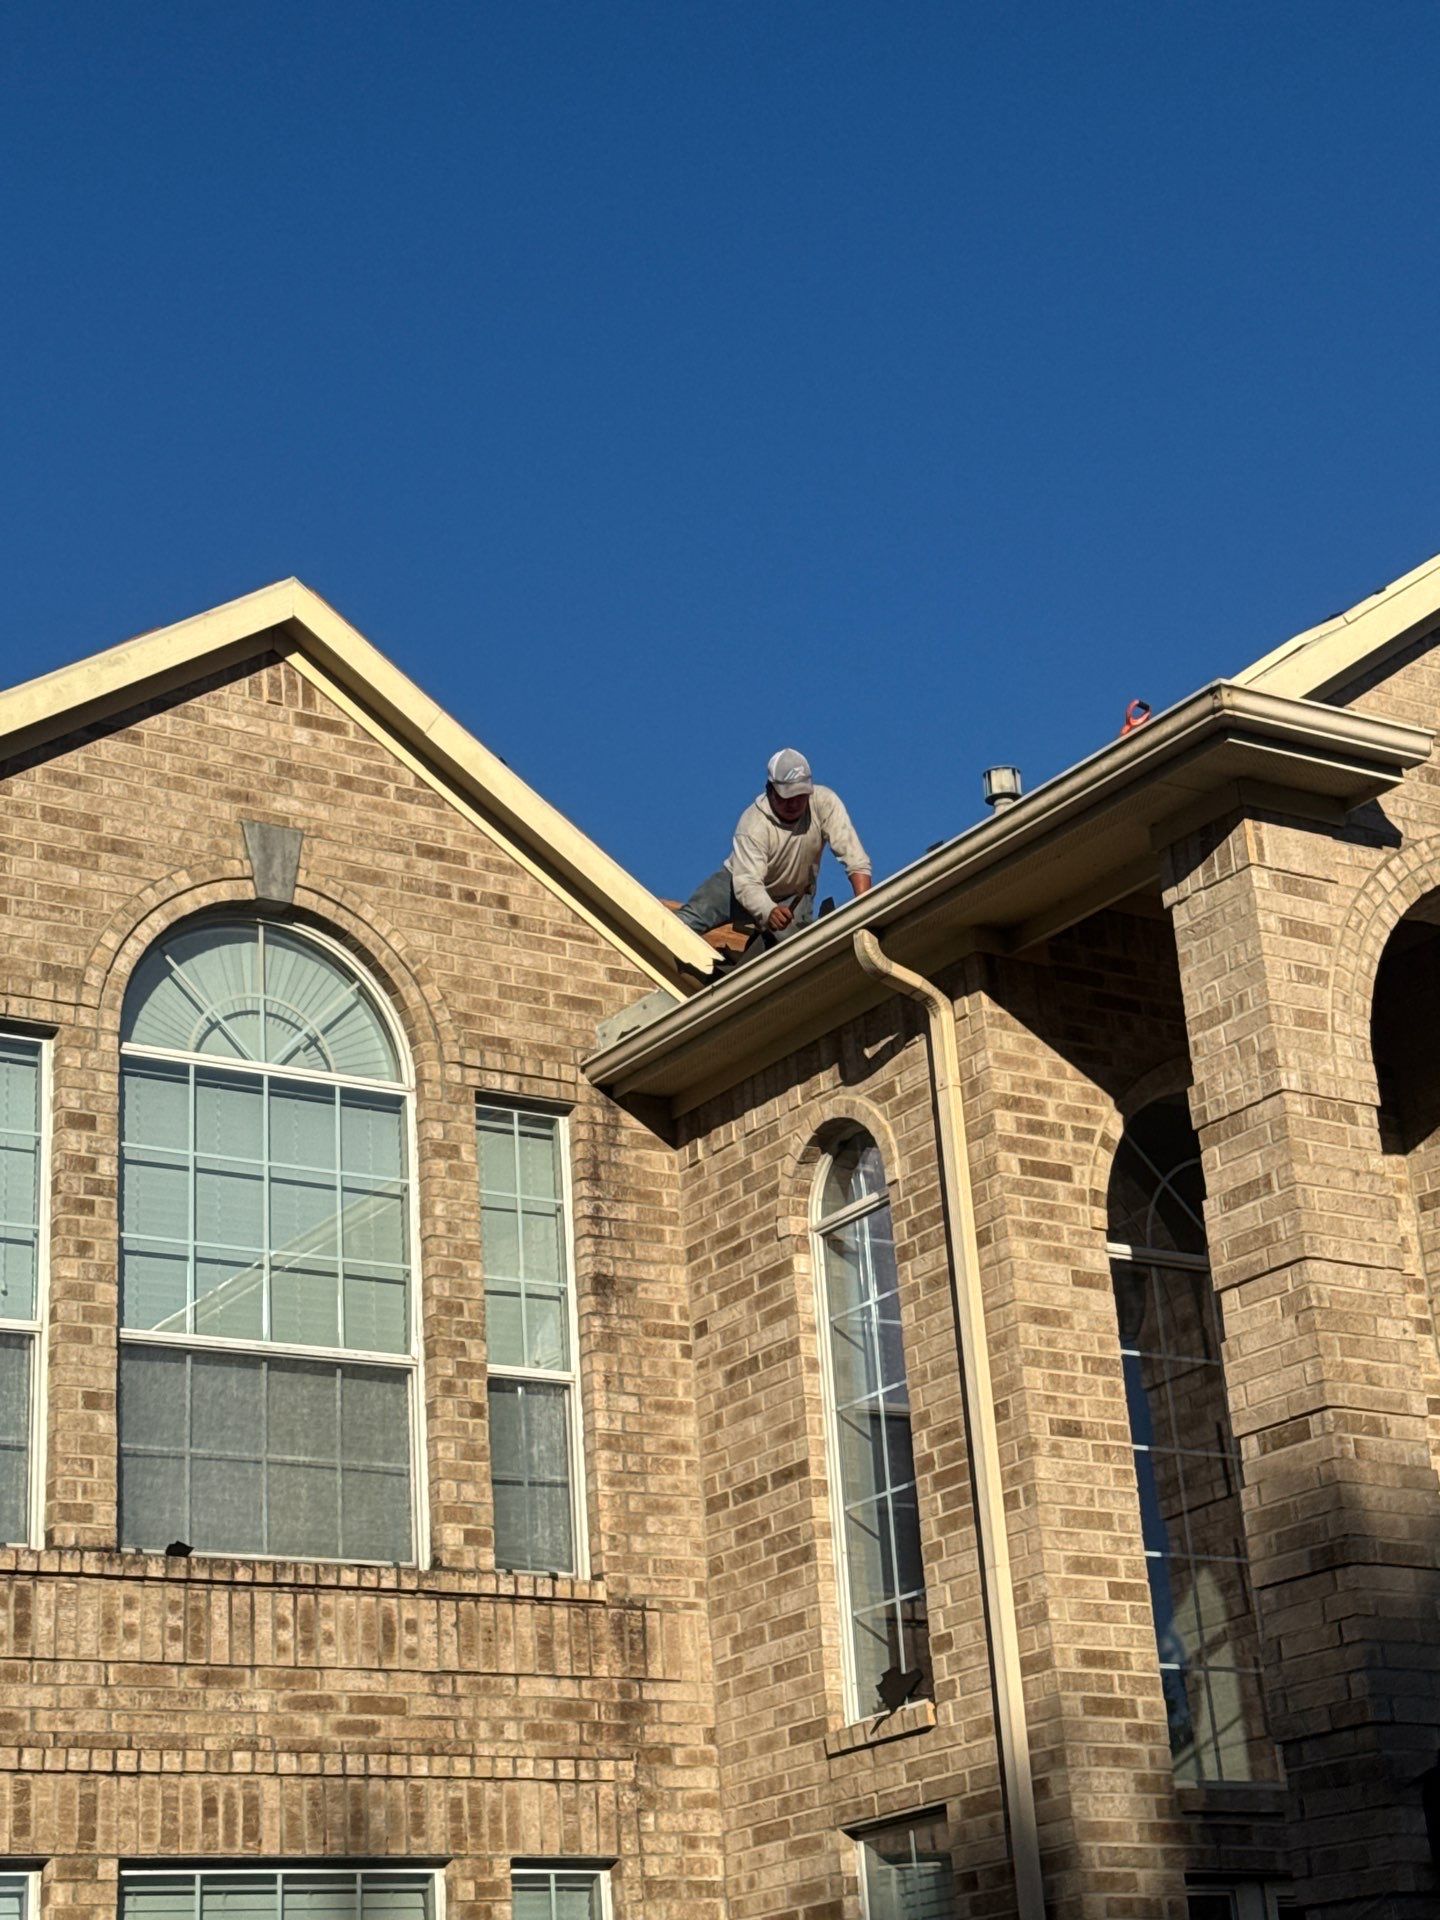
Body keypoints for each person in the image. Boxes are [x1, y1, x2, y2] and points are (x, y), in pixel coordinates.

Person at [677, 749, 873, 950]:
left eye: (800, 796)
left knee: (799, 952)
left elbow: (855, 858)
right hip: (737, 887)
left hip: (793, 896)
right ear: (770, 790)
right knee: (685, 922)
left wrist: (866, 910)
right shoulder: (753, 825)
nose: (794, 804)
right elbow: (747, 883)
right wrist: (769, 910)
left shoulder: (824, 803)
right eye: (787, 797)